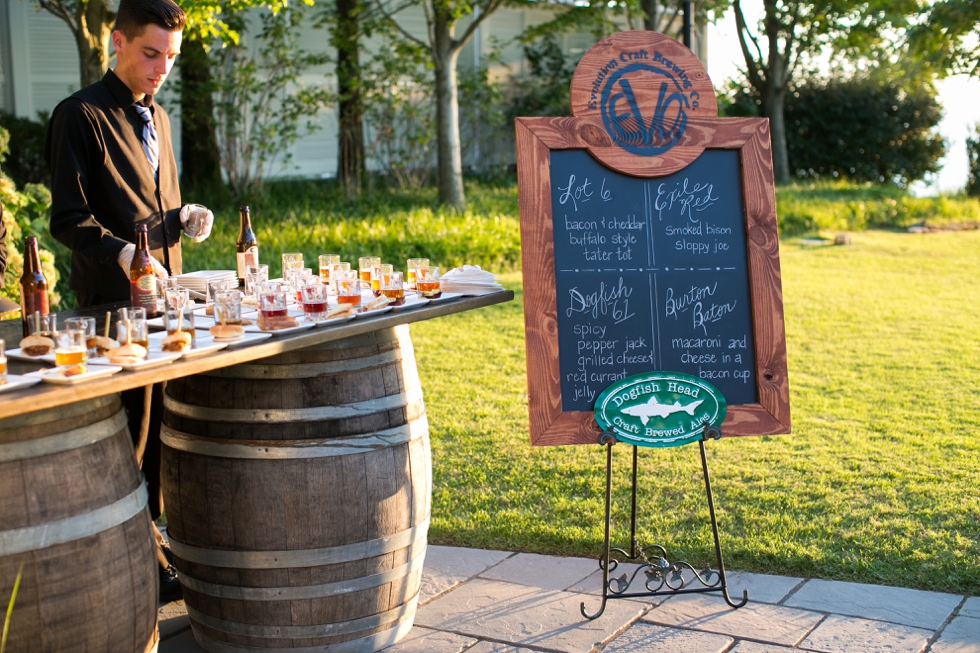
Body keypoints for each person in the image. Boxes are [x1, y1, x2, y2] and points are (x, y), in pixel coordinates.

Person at [44, 0, 213, 603]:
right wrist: (121, 254)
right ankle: (135, 566)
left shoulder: (160, 118)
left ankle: (157, 550)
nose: (161, 67)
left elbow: (147, 208)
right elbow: (68, 218)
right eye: (151, 53)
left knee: (166, 438)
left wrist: (182, 218)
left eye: (170, 57)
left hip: (169, 307)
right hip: (112, 308)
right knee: (129, 441)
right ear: (117, 41)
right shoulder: (78, 114)